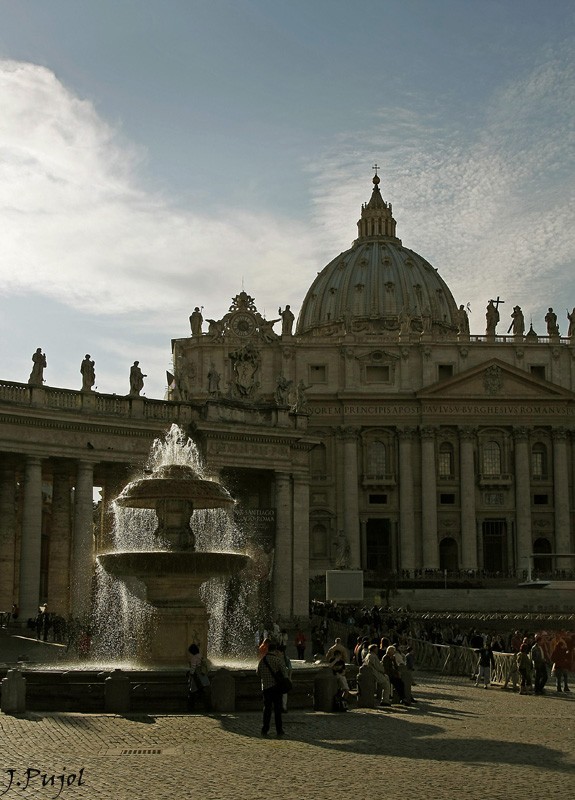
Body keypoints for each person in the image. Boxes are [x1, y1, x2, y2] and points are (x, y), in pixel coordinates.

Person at [256, 640, 287, 737]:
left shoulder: (262, 660)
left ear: (268, 649)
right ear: (275, 650)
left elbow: (258, 674)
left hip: (266, 688)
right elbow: (285, 674)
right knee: (277, 710)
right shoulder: (278, 660)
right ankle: (279, 730)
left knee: (267, 709)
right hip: (277, 688)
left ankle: (265, 729)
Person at [187, 643, 211, 711]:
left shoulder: (194, 658)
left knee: (193, 691)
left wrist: (190, 674)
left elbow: (193, 668)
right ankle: (207, 706)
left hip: (197, 676)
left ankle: (191, 707)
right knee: (203, 690)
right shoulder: (200, 655)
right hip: (203, 675)